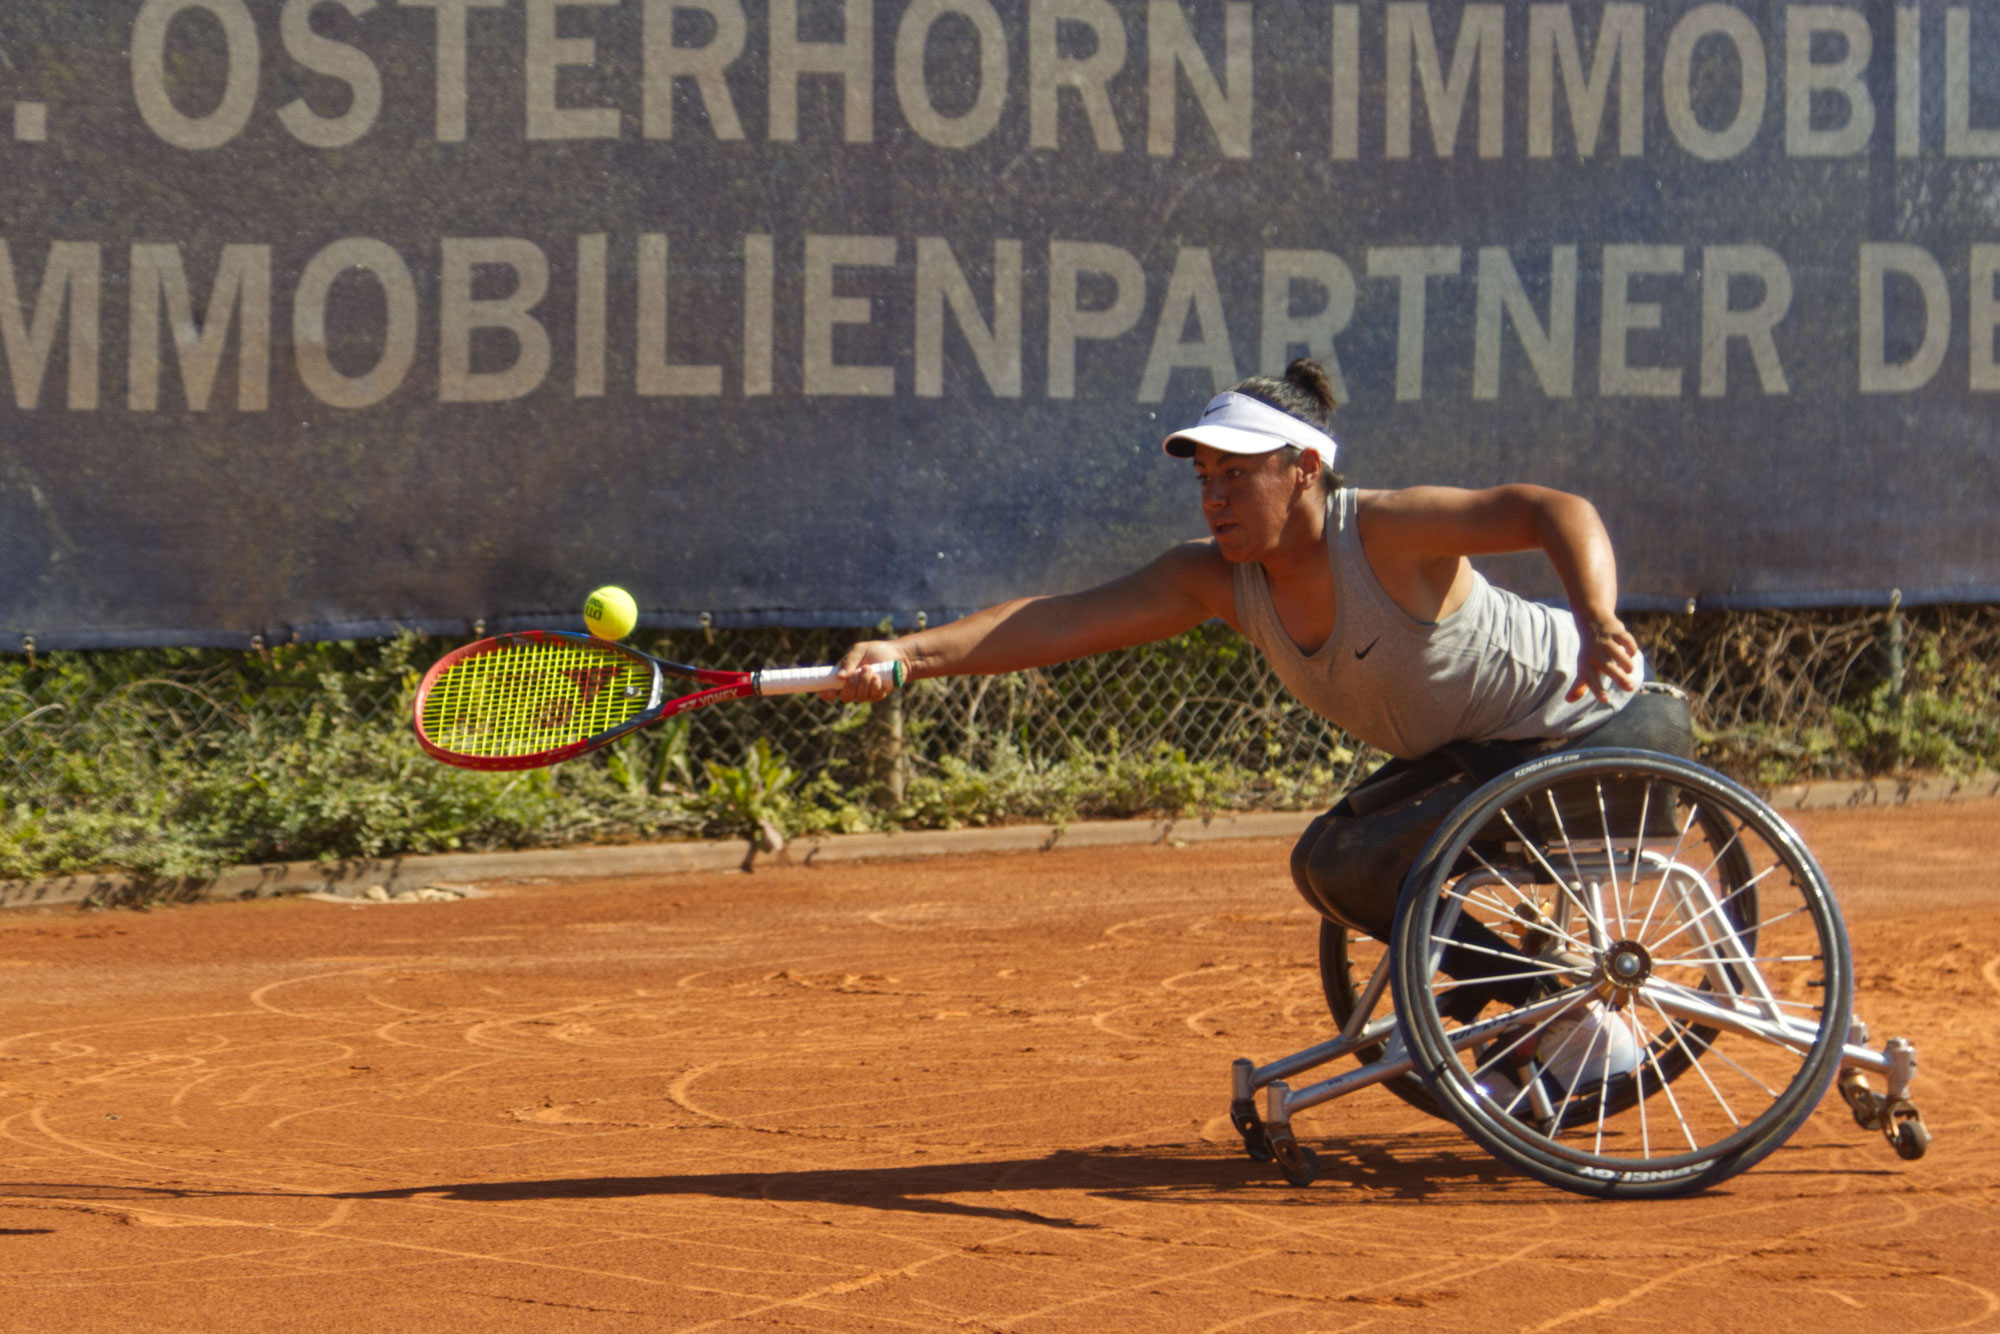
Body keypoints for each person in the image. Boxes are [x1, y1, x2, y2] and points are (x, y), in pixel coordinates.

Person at [825, 359, 1691, 1032]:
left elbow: (1553, 509)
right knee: (1333, 862)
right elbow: (1058, 623)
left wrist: (1596, 614)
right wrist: (907, 655)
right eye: (1205, 477)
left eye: (1237, 474)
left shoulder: (1387, 532)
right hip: (1485, 761)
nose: (1214, 497)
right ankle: (1545, 999)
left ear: (1306, 468)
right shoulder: (1216, 581)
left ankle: (1551, 1006)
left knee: (1353, 863)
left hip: (1600, 731)